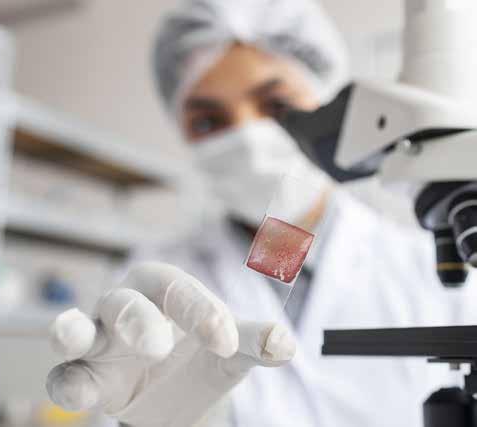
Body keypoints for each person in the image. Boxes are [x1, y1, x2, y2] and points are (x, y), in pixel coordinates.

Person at [45, 1, 477, 426]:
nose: (248, 138)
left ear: (328, 100)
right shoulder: (158, 284)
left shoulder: (426, 269)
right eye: (208, 121)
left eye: (276, 106)